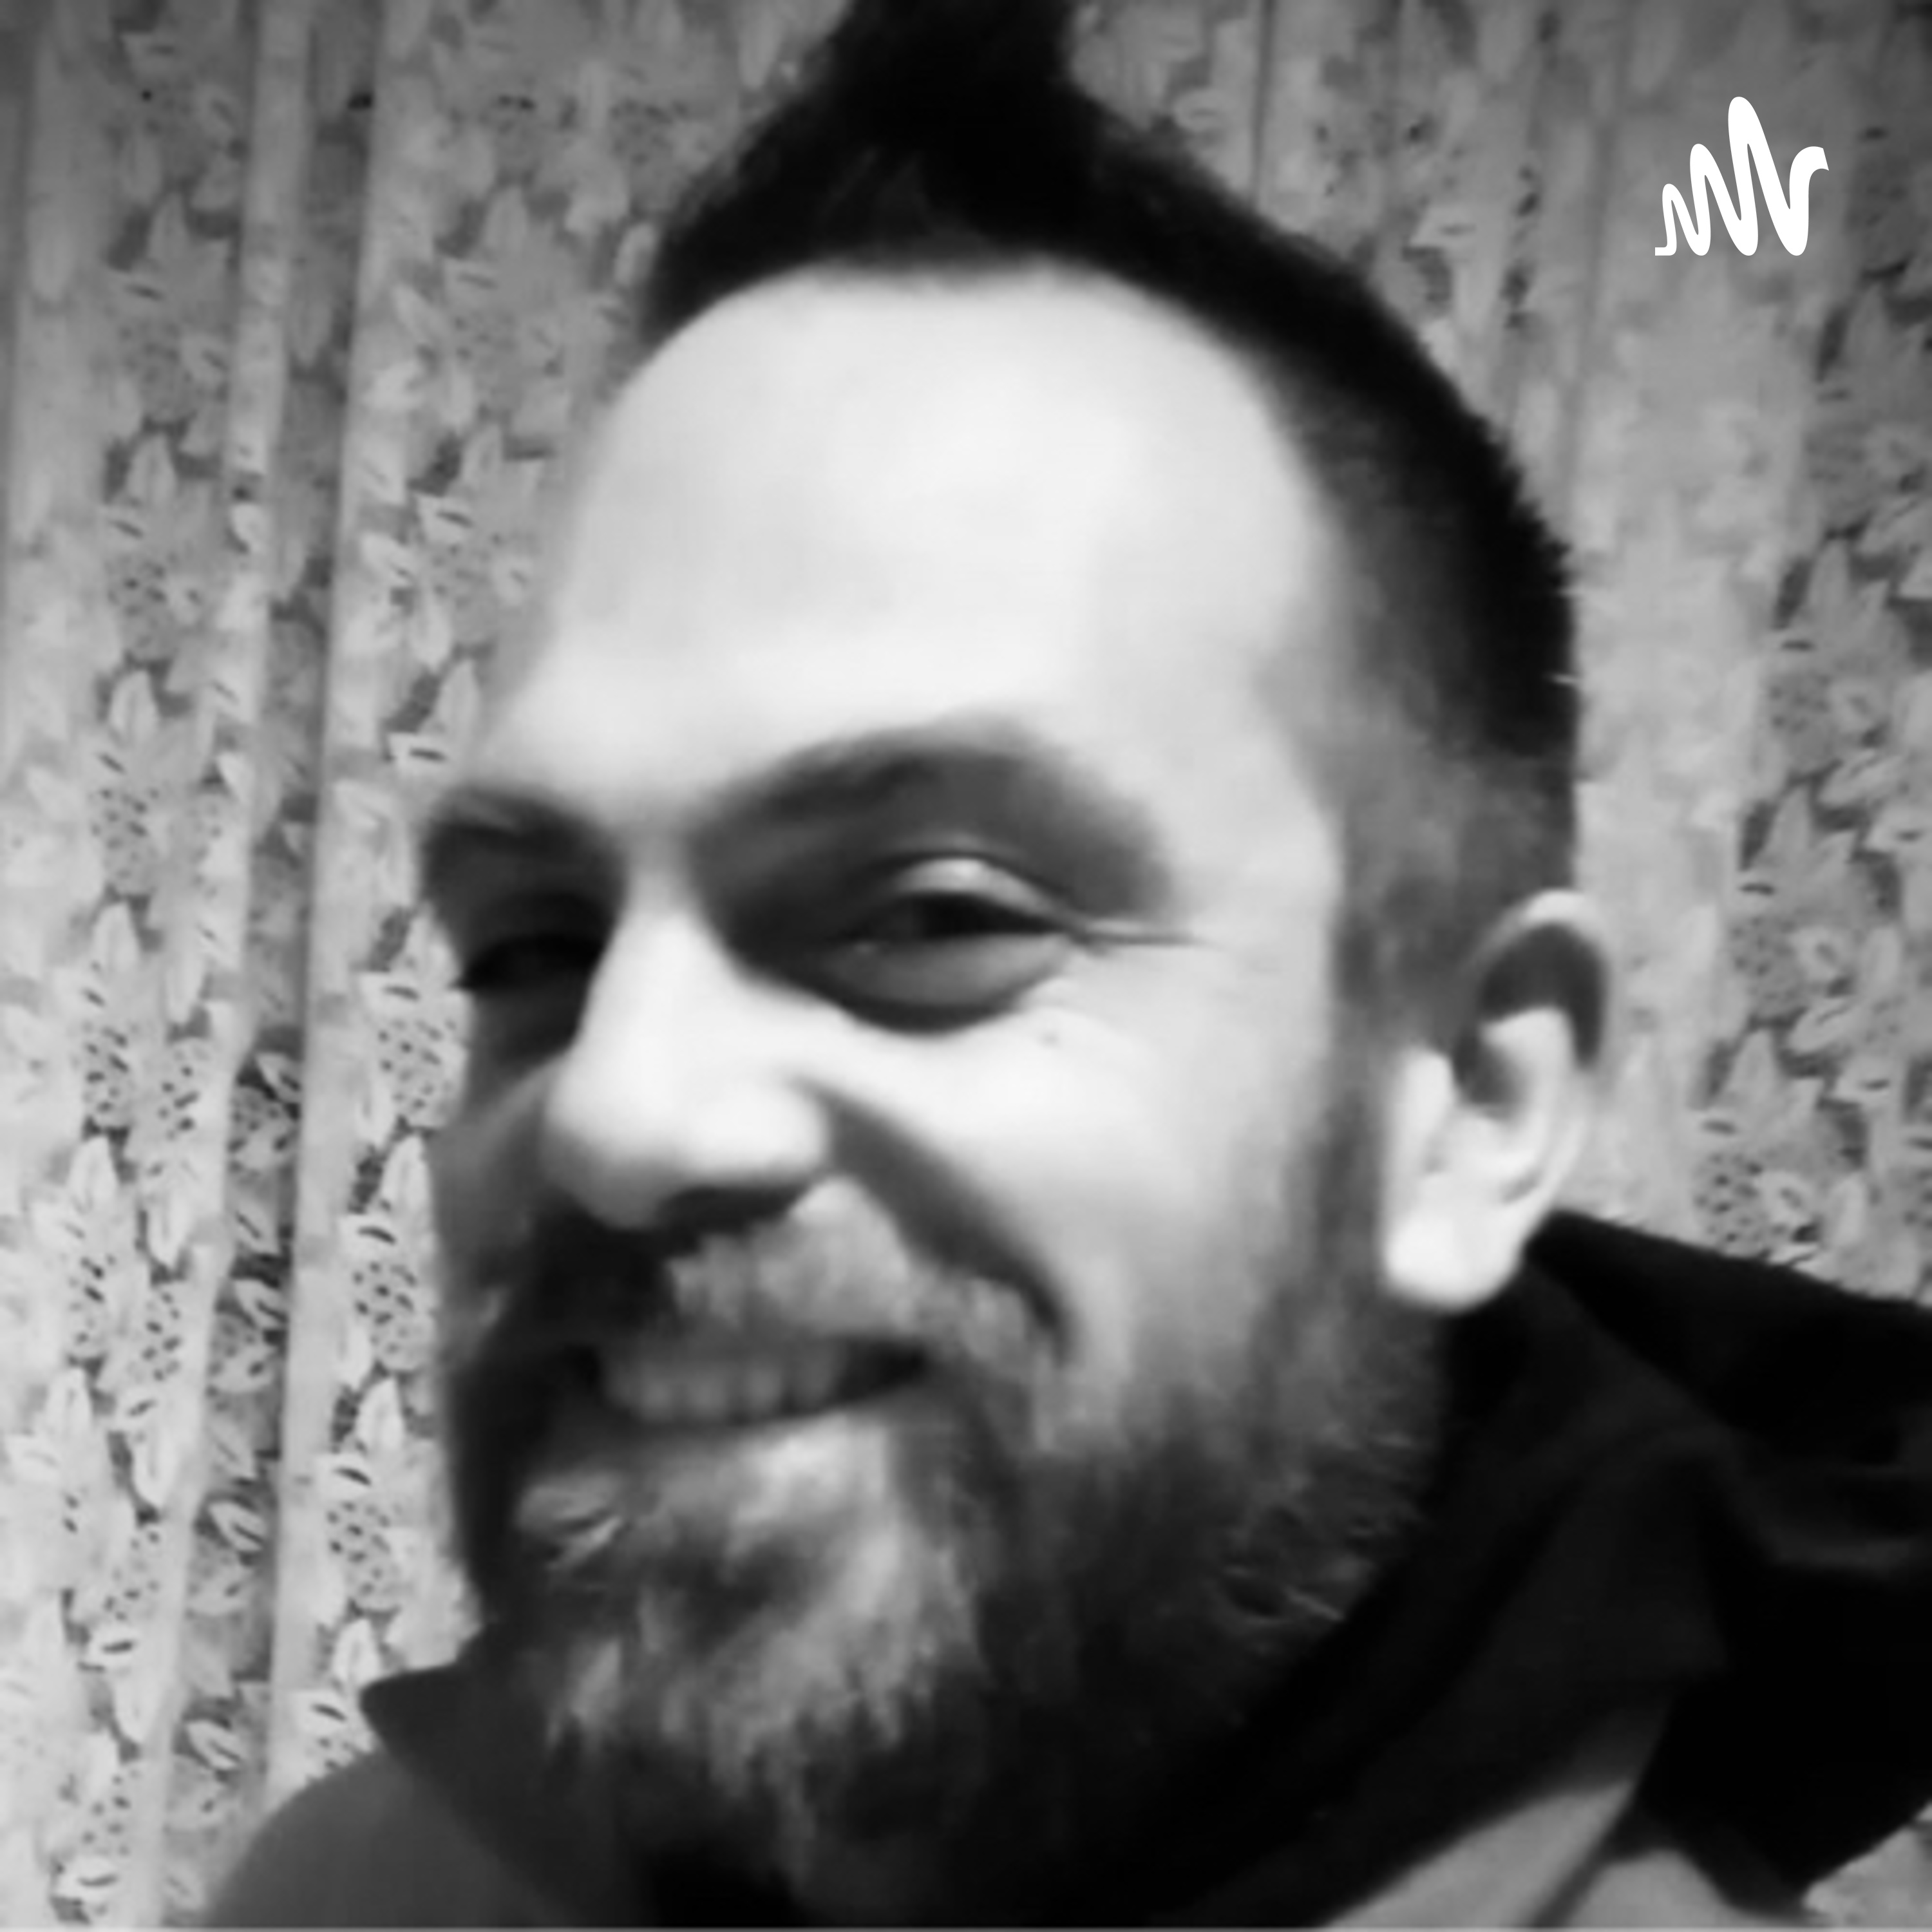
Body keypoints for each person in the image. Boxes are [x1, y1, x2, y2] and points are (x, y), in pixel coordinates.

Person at [207, 0, 1932, 1923]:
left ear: (1470, 1106)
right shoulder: (354, 1888)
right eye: (537, 944)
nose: (613, 1117)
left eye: (938, 914)